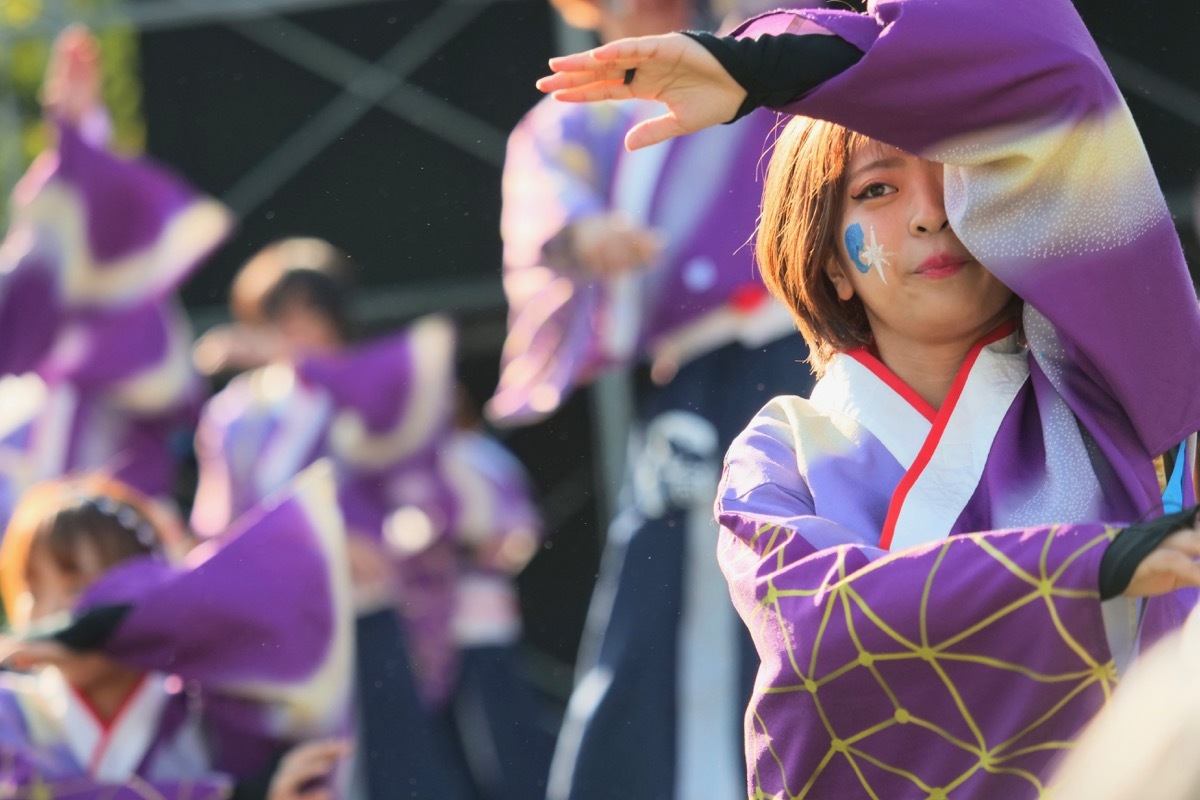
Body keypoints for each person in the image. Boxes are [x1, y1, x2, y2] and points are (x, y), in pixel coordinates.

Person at [537, 0, 1200, 796]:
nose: (931, 215)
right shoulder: (779, 451)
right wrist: (1095, 566)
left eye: (962, 174)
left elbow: (1051, 73)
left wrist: (774, 67)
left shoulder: (1108, 380)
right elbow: (821, 631)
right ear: (828, 259)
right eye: (879, 190)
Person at [489, 2, 814, 797]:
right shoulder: (568, 117)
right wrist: (580, 234)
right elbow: (546, 204)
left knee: (816, 563)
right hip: (695, 378)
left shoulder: (752, 48)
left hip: (807, 345)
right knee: (673, 573)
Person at [190, 245, 474, 800]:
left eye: (309, 311)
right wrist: (311, 542)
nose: (295, 327)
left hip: (364, 610)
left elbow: (428, 498)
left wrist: (391, 544)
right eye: (279, 314)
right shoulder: (235, 414)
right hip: (276, 619)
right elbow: (219, 524)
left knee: (399, 766)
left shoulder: (370, 390)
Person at [0, 465, 353, 799]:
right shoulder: (10, 712)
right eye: (31, 591)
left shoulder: (207, 716)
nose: (45, 613)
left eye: (76, 589)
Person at [0, 27, 230, 533]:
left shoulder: (140, 319)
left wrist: (78, 138)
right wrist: (72, 137)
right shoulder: (28, 361)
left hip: (120, 536)